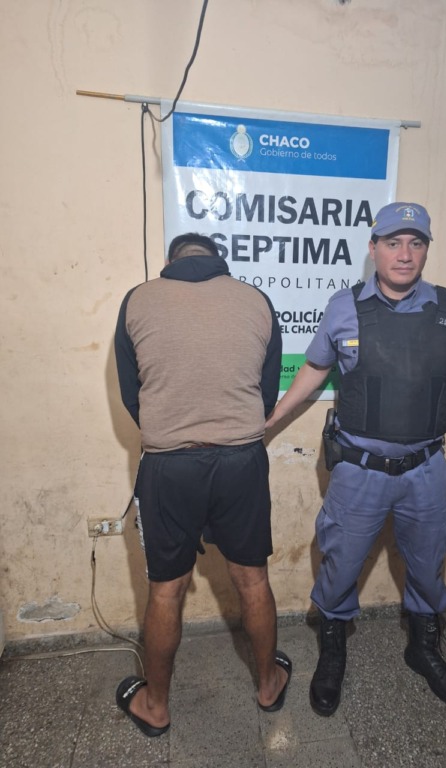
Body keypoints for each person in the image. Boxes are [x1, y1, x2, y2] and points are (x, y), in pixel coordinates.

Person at [265, 202, 446, 715]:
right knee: (341, 563)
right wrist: (271, 420)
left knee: (429, 564)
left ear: (427, 249)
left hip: (426, 469)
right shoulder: (344, 307)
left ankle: (423, 646)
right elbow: (315, 371)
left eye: (416, 243)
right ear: (373, 249)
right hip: (359, 470)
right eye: (393, 243)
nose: (405, 255)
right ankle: (333, 647)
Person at [114, 233, 290, 737]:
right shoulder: (255, 299)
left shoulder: (138, 299)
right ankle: (268, 685)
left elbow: (134, 397)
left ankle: (156, 706)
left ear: (173, 260)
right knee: (252, 579)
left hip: (169, 466)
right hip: (241, 462)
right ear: (220, 261)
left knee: (166, 591)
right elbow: (267, 393)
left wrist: (174, 429)